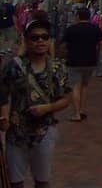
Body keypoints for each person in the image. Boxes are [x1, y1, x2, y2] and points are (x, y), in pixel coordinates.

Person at [0, 16, 72, 188]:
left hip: (44, 133)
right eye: (35, 37)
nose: (40, 41)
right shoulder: (14, 67)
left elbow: (66, 99)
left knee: (42, 180)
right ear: (26, 40)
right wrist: (4, 117)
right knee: (14, 182)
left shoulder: (57, 68)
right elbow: (2, 93)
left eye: (44, 37)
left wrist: (48, 107)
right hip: (16, 134)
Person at [60, 8, 102, 122]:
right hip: (90, 62)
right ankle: (82, 110)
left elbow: (63, 46)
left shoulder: (71, 29)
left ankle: (77, 113)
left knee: (75, 87)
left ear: (78, 16)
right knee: (84, 86)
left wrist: (62, 56)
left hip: (74, 62)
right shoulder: (95, 29)